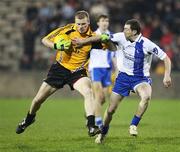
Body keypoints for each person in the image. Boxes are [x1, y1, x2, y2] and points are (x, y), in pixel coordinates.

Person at [15, 10, 114, 137]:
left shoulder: (93, 37)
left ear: (88, 22)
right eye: (78, 24)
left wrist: (107, 40)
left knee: (88, 92)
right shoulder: (67, 30)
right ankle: (28, 119)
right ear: (75, 23)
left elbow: (112, 48)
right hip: (59, 69)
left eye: (83, 24)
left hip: (77, 72)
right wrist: (57, 46)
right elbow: (45, 40)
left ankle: (91, 126)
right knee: (37, 100)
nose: (81, 27)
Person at [95, 19, 172, 143]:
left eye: (126, 29)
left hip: (140, 78)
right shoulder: (121, 36)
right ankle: (103, 132)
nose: (124, 30)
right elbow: (106, 38)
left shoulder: (147, 44)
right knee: (110, 110)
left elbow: (166, 58)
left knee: (146, 97)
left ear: (134, 31)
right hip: (123, 78)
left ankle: (133, 125)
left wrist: (167, 75)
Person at [88, 15, 116, 129]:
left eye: (107, 20)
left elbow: (114, 53)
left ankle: (90, 113)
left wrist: (117, 67)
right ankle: (98, 123)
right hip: (95, 68)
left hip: (107, 69)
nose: (105, 22)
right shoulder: (93, 35)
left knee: (103, 98)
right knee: (98, 96)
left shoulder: (111, 36)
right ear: (98, 23)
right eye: (103, 21)